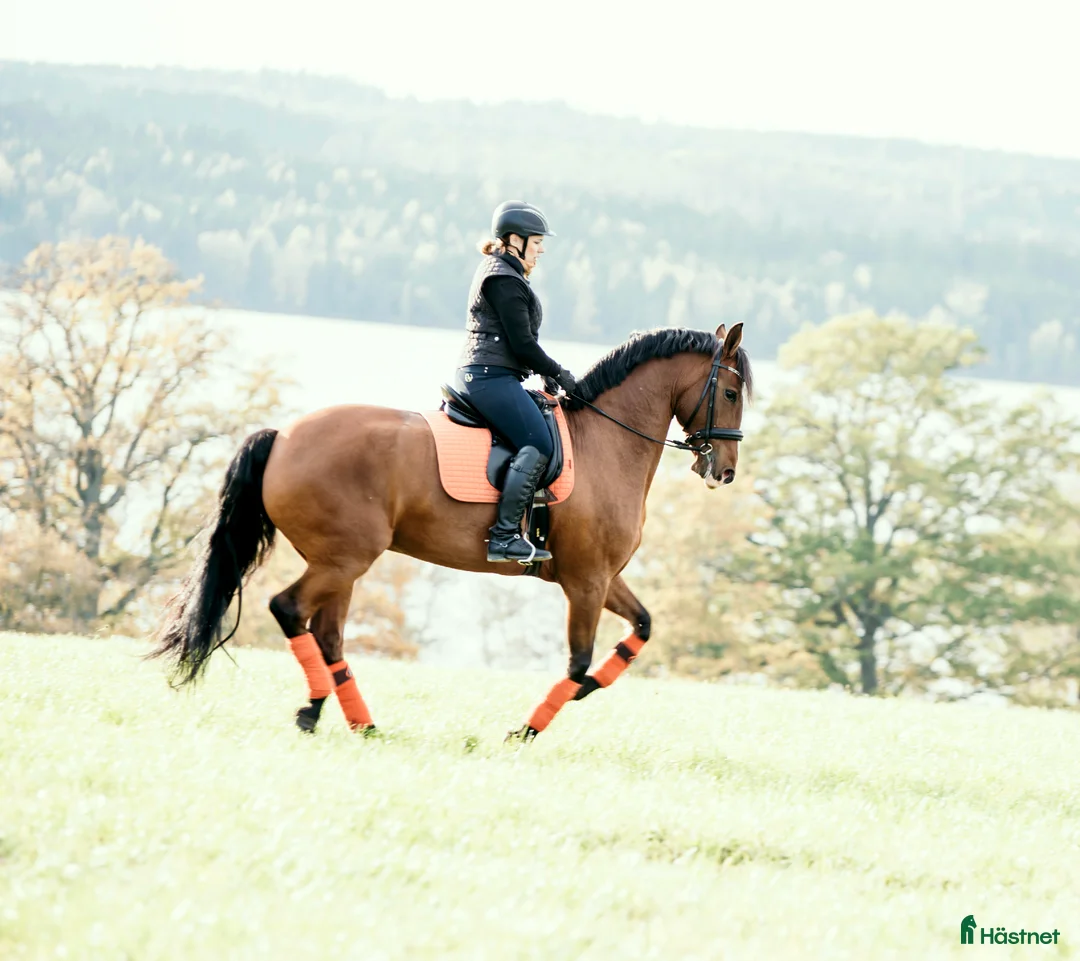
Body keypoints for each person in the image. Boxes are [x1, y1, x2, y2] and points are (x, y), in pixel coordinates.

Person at [455, 200, 578, 563]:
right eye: (536, 242)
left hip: (492, 373)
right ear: (513, 240)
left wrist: (544, 372)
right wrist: (558, 371)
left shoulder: (504, 272)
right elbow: (523, 344)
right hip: (488, 377)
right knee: (538, 442)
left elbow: (519, 346)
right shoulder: (503, 279)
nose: (541, 250)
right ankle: (505, 536)